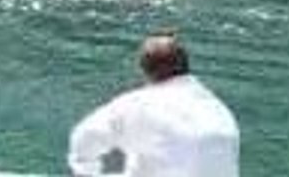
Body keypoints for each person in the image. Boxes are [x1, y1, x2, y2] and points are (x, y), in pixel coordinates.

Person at [68, 32, 239, 177]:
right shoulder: (217, 108)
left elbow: (84, 137)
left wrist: (85, 172)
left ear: (145, 71)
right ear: (186, 66)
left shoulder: (138, 103)